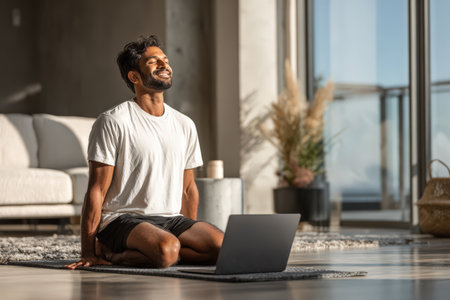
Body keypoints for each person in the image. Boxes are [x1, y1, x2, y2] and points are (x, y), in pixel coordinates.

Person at [66, 35, 224, 269]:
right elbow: (96, 190)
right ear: (134, 77)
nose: (164, 65)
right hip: (122, 219)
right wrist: (88, 252)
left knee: (224, 248)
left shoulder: (185, 124)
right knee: (167, 252)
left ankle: (168, 250)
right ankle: (110, 252)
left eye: (165, 60)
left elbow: (188, 189)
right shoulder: (113, 121)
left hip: (170, 219)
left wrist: (188, 232)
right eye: (153, 62)